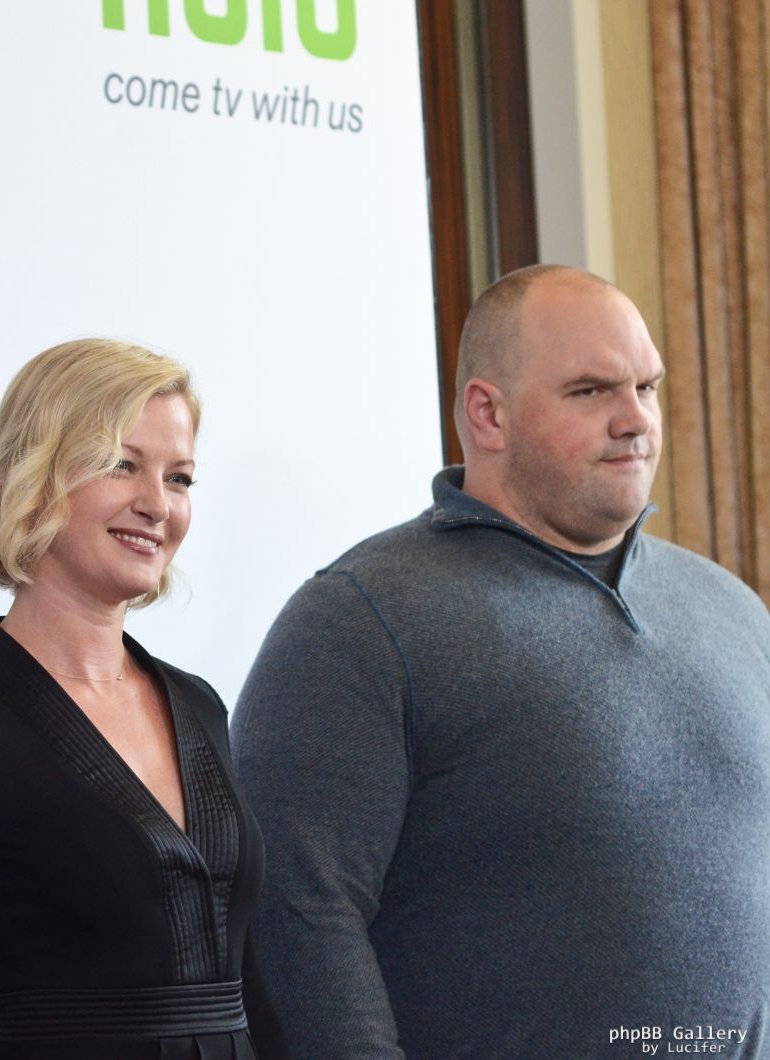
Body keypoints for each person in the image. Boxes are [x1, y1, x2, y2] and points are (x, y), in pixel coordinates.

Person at [233, 265, 770, 1058]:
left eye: (647, 388)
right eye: (591, 390)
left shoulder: (732, 609)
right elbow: (296, 912)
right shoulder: (360, 619)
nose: (635, 420)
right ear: (488, 413)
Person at [0, 339, 289, 1059]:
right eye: (122, 464)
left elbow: (247, 984)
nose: (157, 504)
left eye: (179, 478)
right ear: (34, 475)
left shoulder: (197, 705)